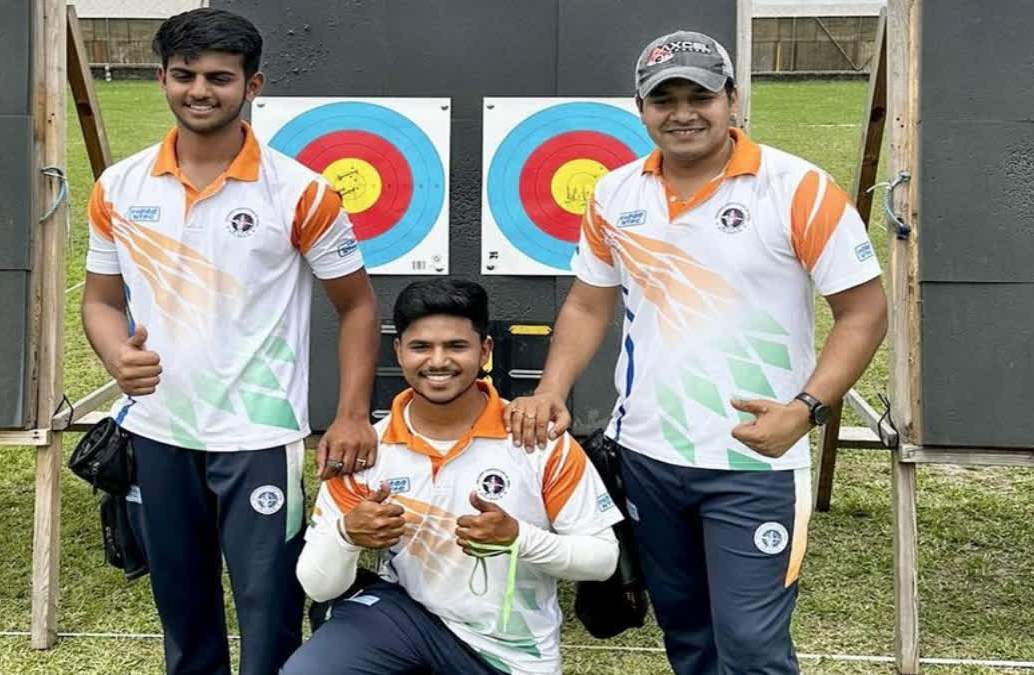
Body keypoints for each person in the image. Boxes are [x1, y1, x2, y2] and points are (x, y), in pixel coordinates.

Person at [505, 30, 888, 674]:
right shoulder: (615, 193)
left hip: (755, 463)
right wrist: (550, 390)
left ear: (732, 99)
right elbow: (587, 302)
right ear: (641, 109)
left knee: (752, 650)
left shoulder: (798, 188)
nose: (682, 113)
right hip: (650, 456)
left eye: (699, 95)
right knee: (687, 639)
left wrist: (806, 409)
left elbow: (865, 310)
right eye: (663, 99)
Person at [80, 8, 379, 673]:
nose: (200, 90)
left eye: (220, 77)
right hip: (159, 431)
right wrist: (115, 354)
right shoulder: (120, 187)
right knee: (183, 615)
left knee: (269, 612)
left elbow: (356, 306)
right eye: (184, 75)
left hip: (260, 437)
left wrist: (354, 412)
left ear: (254, 84)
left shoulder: (301, 191)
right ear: (161, 78)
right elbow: (100, 302)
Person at [283, 279, 624, 675]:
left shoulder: (537, 441)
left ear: (486, 351)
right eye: (421, 347)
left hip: (510, 655)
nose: (438, 361)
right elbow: (318, 587)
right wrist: (346, 535)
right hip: (403, 619)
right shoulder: (367, 447)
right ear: (398, 352)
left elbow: (602, 560)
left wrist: (517, 538)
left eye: (456, 346)